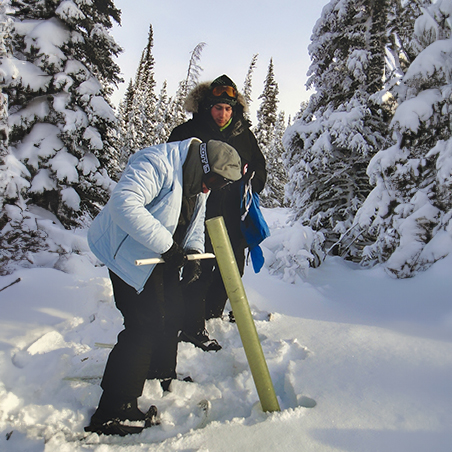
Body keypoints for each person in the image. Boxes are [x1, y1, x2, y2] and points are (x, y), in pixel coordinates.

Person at [85, 138, 242, 436]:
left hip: (158, 252)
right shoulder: (157, 163)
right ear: (204, 166)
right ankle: (113, 409)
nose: (212, 189)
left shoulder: (200, 179)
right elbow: (124, 203)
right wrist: (168, 247)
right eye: (214, 181)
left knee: (172, 314)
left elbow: (196, 220)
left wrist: (193, 251)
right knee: (143, 324)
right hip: (126, 252)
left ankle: (158, 374)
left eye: (221, 185)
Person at [168, 74, 267, 348]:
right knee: (197, 266)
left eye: (228, 108)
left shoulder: (244, 135)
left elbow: (260, 169)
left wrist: (250, 183)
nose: (223, 114)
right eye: (217, 107)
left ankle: (212, 314)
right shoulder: (186, 133)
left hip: (233, 215)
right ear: (206, 107)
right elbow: (169, 167)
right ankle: (190, 325)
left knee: (232, 267)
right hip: (196, 214)